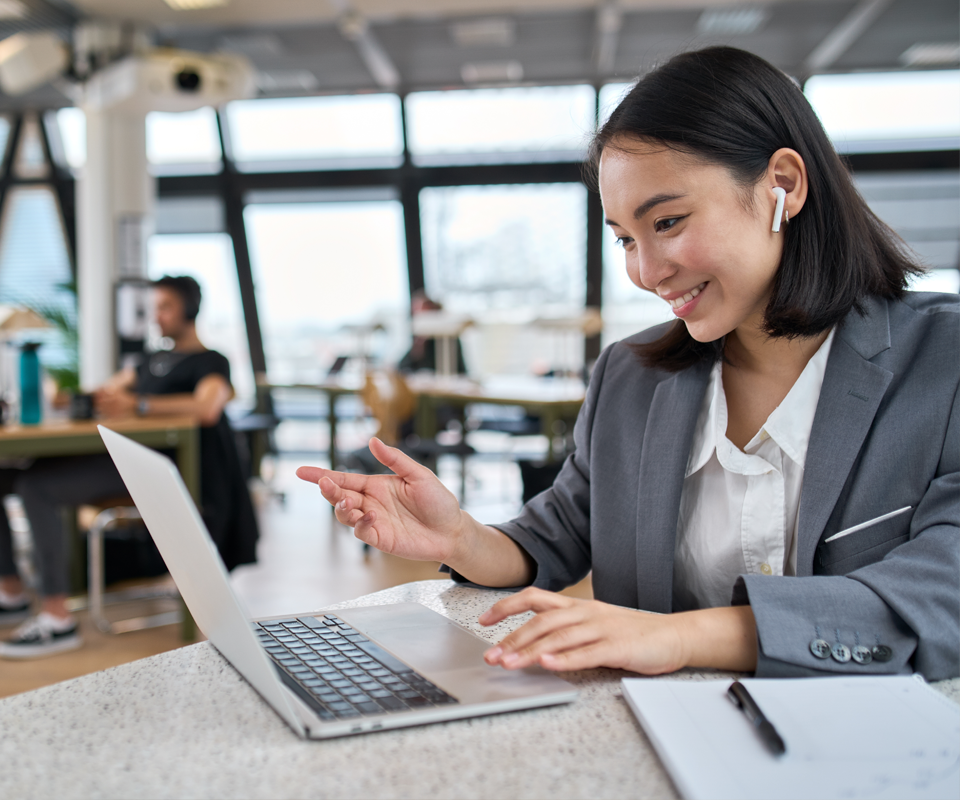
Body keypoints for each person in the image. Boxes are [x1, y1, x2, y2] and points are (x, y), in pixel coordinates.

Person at [296, 47, 958, 681]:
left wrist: (673, 637)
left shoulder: (943, 362)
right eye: (624, 239)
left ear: (782, 185)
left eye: (666, 222)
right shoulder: (632, 377)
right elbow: (558, 536)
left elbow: (941, 596)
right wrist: (460, 536)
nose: (645, 271)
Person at [0, 275, 259, 659]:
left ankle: (58, 620)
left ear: (189, 310)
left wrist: (139, 406)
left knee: (37, 486)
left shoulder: (210, 361)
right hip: (119, 454)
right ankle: (12, 591)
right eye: (152, 308)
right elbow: (105, 392)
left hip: (153, 465)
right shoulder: (150, 362)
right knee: (8, 476)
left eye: (165, 307)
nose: (156, 316)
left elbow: (208, 408)